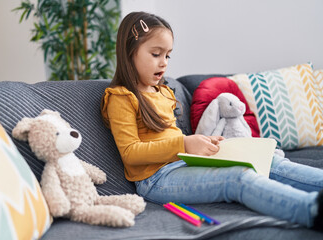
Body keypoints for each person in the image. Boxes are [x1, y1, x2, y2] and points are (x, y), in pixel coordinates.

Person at [100, 11, 323, 229]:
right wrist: (184, 144)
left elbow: (170, 138)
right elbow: (130, 153)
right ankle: (312, 211)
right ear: (129, 53)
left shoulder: (163, 91)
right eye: (156, 54)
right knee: (238, 178)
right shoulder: (121, 97)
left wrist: (201, 144)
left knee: (267, 161)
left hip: (183, 162)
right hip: (156, 179)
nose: (164, 63)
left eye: (167, 55)